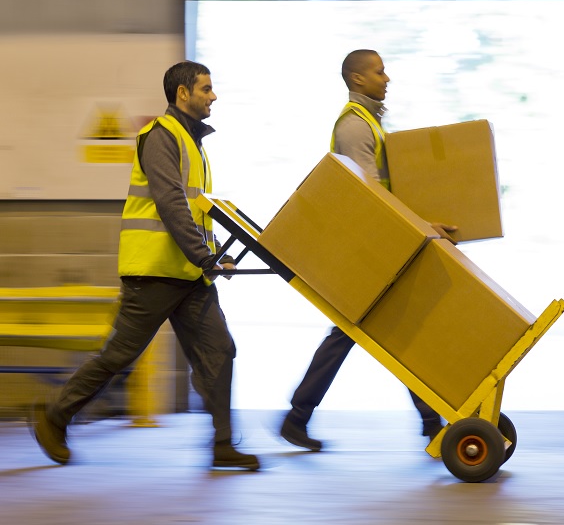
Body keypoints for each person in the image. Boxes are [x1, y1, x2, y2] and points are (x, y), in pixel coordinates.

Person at [31, 61, 260, 471]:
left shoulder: (194, 143)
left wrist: (213, 253)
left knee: (220, 351)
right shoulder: (160, 137)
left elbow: (196, 210)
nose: (214, 96)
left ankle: (223, 443)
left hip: (190, 275)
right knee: (118, 356)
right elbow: (171, 205)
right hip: (153, 273)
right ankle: (54, 416)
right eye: (206, 89)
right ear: (183, 94)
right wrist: (203, 255)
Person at [279, 49, 457, 451]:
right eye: (379, 71)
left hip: (376, 248)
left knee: (366, 333)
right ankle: (431, 422)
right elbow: (371, 195)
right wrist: (423, 227)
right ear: (358, 79)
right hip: (368, 252)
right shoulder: (355, 128)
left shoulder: (370, 123)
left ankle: (300, 417)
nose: (386, 77)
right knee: (374, 333)